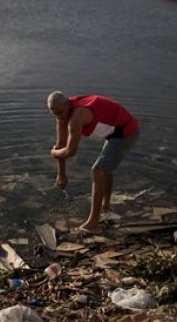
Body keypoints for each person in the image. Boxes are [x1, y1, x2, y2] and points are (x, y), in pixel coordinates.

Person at [48, 91, 139, 233]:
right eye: (55, 115)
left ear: (67, 104)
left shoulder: (78, 116)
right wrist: (61, 174)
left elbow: (70, 151)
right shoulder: (62, 113)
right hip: (113, 132)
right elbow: (61, 145)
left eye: (61, 113)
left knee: (98, 170)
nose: (60, 117)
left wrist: (53, 153)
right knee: (105, 168)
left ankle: (93, 223)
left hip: (126, 132)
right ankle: (106, 206)